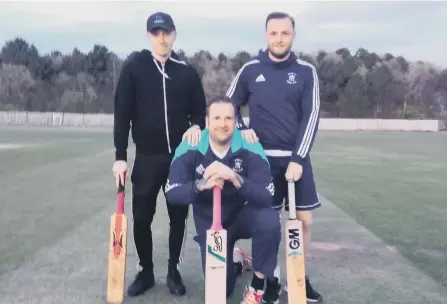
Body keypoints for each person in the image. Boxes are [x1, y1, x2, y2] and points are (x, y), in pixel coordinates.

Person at [225, 11, 323, 303]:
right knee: (265, 222)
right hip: (261, 163)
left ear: (293, 35)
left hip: (295, 160)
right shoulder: (251, 69)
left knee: (303, 221)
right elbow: (228, 105)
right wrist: (242, 131)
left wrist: (298, 158)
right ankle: (268, 277)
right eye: (274, 33)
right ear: (266, 35)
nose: (279, 38)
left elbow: (312, 115)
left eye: (285, 33)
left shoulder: (306, 71)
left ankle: (298, 278)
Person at [112, 11, 207, 298]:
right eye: (156, 33)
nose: (162, 38)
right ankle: (146, 271)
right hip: (147, 158)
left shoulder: (187, 72)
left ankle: (173, 271)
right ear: (148, 36)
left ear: (174, 34)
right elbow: (122, 116)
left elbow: (200, 112)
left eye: (166, 32)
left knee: (178, 217)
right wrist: (120, 156)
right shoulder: (134, 68)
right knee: (141, 217)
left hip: (180, 160)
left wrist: (196, 125)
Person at [165, 97, 282, 304]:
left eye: (228, 118)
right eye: (217, 118)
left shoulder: (249, 144)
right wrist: (200, 185)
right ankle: (237, 261)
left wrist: (235, 178)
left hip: (242, 215)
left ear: (235, 121)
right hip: (210, 222)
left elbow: (266, 194)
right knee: (222, 290)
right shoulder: (191, 144)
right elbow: (173, 194)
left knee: (269, 219)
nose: (223, 123)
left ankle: (257, 284)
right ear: (207, 122)